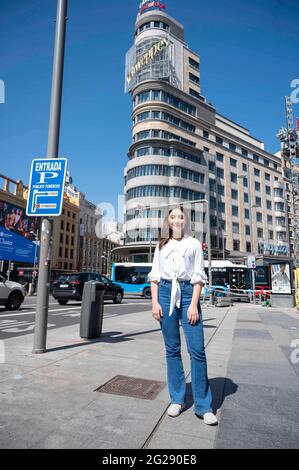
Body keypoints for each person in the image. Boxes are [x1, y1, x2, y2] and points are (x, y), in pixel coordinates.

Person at [148, 206, 218, 426]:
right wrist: (155, 302)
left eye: (180, 216)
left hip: (188, 294)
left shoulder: (194, 244)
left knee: (197, 350)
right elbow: (155, 276)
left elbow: (199, 277)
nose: (177, 219)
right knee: (172, 350)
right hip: (166, 294)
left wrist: (194, 305)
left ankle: (204, 406)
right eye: (173, 216)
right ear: (168, 221)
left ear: (185, 220)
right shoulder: (162, 245)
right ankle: (177, 399)